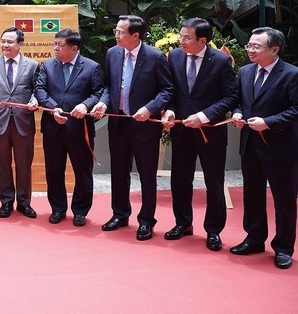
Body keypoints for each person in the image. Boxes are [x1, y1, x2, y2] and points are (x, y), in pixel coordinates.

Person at [93, 15, 173, 241]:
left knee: (147, 174)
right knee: (119, 170)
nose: (116, 35)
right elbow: (109, 85)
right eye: (116, 31)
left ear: (135, 35)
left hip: (144, 124)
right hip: (119, 121)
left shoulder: (155, 57)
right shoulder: (113, 53)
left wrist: (150, 108)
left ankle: (147, 220)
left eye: (120, 32)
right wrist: (102, 102)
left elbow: (167, 90)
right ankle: (120, 213)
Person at [161, 18, 237, 251]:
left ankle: (213, 230)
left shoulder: (221, 61)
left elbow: (231, 97)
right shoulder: (174, 56)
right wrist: (171, 110)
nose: (181, 41)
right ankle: (183, 223)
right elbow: (171, 90)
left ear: (202, 40)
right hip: (182, 129)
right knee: (180, 179)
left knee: (214, 182)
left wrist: (204, 116)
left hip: (209, 132)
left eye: (186, 38)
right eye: (180, 36)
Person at [231, 27, 298, 270]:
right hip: (250, 144)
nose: (250, 50)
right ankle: (254, 238)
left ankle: (283, 248)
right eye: (249, 45)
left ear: (274, 49)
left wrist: (268, 123)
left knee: (284, 198)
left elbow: (295, 109)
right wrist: (237, 114)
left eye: (256, 46)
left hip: (280, 145)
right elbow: (239, 100)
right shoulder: (245, 71)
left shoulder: (291, 74)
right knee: (252, 194)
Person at [34, 28, 103, 227]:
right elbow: (40, 89)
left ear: (74, 48)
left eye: (60, 45)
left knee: (82, 171)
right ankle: (58, 208)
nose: (55, 48)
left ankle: (80, 211)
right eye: (55, 44)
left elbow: (98, 92)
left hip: (80, 128)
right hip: (53, 127)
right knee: (54, 170)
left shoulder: (91, 67)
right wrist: (51, 108)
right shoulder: (47, 65)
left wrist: (85, 105)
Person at [0, 27, 40, 219]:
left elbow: (37, 90)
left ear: (20, 44)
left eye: (10, 42)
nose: (5, 45)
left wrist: (35, 100)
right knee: (2, 164)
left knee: (24, 164)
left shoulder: (32, 65)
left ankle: (24, 202)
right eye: (3, 42)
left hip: (23, 122)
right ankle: (6, 202)